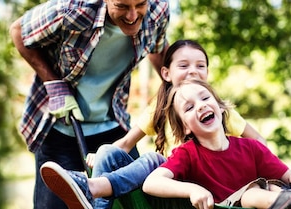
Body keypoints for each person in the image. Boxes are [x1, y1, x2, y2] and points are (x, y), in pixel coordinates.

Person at [39, 39, 268, 209]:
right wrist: (98, 156)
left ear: (207, 72)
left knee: (154, 159)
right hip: (166, 185)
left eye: (200, 66)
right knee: (107, 151)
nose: (193, 71)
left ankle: (91, 188)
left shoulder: (214, 108)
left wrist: (250, 169)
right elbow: (127, 143)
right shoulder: (159, 108)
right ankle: (95, 203)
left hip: (197, 182)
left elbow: (258, 141)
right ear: (166, 73)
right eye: (184, 65)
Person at [9, 0, 171, 207]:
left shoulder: (157, 10)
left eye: (139, 4)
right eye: (122, 6)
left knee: (136, 201)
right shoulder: (72, 10)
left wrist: (179, 89)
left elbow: (158, 49)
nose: (132, 16)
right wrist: (54, 84)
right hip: (61, 130)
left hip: (113, 127)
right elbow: (19, 31)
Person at [141, 79, 291, 209]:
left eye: (205, 98)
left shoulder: (251, 147)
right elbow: (151, 183)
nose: (200, 106)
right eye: (189, 108)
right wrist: (192, 190)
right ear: (186, 128)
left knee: (277, 186)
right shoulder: (188, 153)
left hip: (270, 201)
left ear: (220, 107)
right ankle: (283, 202)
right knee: (252, 192)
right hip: (229, 207)